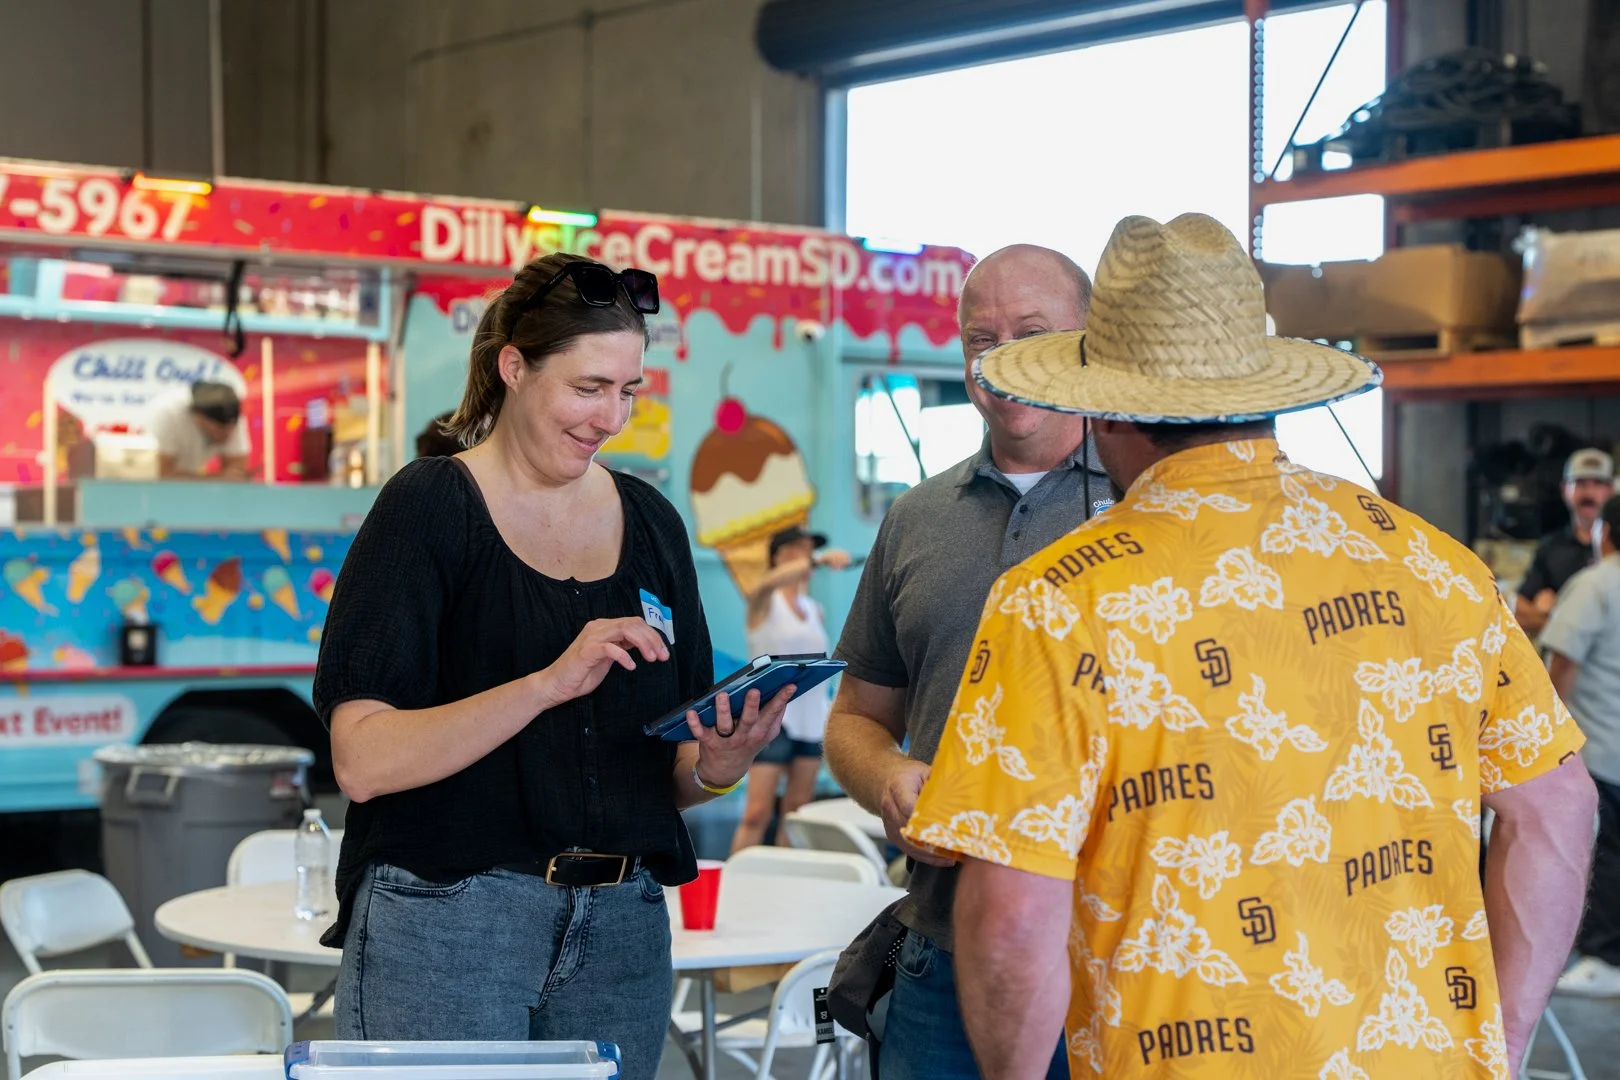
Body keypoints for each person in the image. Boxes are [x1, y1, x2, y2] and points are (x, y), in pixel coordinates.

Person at [906, 213, 1599, 1080]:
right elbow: (1559, 809)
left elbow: (1012, 915)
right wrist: (1500, 1041)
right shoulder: (1436, 566)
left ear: (1107, 409)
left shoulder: (1058, 602)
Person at [313, 252, 794, 1079]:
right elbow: (363, 760)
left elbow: (666, 770)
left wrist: (717, 765)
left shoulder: (650, 521)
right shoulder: (430, 506)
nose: (611, 417)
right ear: (513, 368)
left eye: (629, 392)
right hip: (449, 922)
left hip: (622, 927)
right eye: (587, 388)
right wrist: (545, 685)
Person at [827, 242, 1110, 1080]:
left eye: (1031, 331)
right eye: (980, 337)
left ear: (1090, 342)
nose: (1002, 357)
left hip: (1120, 964)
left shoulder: (1150, 505)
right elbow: (855, 717)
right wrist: (886, 777)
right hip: (941, 957)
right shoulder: (916, 519)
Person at [730, 525, 853, 853]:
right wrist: (820, 560)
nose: (807, 556)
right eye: (800, 549)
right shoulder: (762, 600)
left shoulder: (815, 610)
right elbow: (771, 581)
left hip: (811, 720)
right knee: (756, 813)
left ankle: (783, 883)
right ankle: (734, 887)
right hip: (771, 719)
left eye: (810, 549)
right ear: (780, 557)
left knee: (796, 816)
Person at [1541, 492, 1620, 998]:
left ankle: (1605, 957)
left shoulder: (1596, 583)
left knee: (1604, 853)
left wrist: (1547, 735)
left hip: (1601, 747)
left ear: (1603, 532)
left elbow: (1562, 661)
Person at [1514, 447, 1614, 635]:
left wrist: (1556, 614)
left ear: (1610, 490)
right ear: (1564, 489)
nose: (1589, 493)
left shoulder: (1618, 548)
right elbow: (1518, 609)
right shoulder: (1550, 549)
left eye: (1598, 484)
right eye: (1580, 483)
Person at [150, 381, 250, 479]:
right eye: (219, 430)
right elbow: (161, 474)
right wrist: (215, 479)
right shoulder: (167, 414)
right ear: (198, 416)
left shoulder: (230, 415)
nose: (228, 435)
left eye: (232, 428)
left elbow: (236, 471)